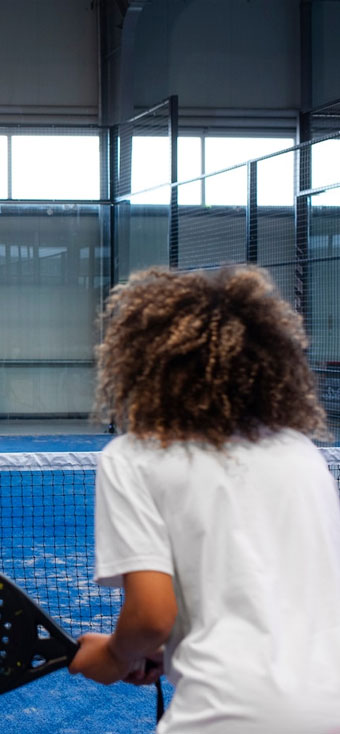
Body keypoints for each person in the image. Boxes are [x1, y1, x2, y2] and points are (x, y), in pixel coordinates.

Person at [68, 266, 340, 733]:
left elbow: (152, 616)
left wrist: (116, 655)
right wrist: (166, 649)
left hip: (226, 712)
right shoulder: (302, 453)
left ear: (143, 363)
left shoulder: (136, 458)